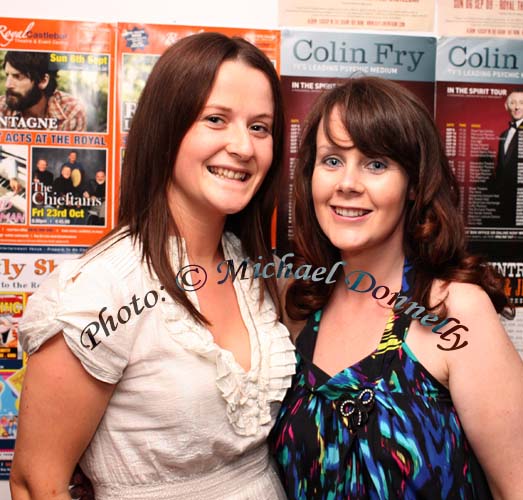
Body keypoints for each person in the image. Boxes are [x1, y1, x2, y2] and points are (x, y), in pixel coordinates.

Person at [11, 33, 294, 500]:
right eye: (216, 119)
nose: (243, 147)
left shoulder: (251, 272)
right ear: (167, 130)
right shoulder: (101, 288)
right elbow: (35, 484)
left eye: (260, 127)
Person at [270, 77, 523, 499]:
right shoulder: (297, 302)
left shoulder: (453, 309)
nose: (347, 183)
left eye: (375, 164)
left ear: (413, 184)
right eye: (332, 161)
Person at [0, 51, 86, 132]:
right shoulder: (1, 108)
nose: (7, 85)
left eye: (17, 76)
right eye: (8, 75)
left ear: (43, 81)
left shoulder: (71, 111)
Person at [495, 89, 523, 227]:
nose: (517, 107)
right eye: (513, 103)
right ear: (506, 106)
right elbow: (501, 167)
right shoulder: (504, 134)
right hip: (503, 199)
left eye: (521, 103)